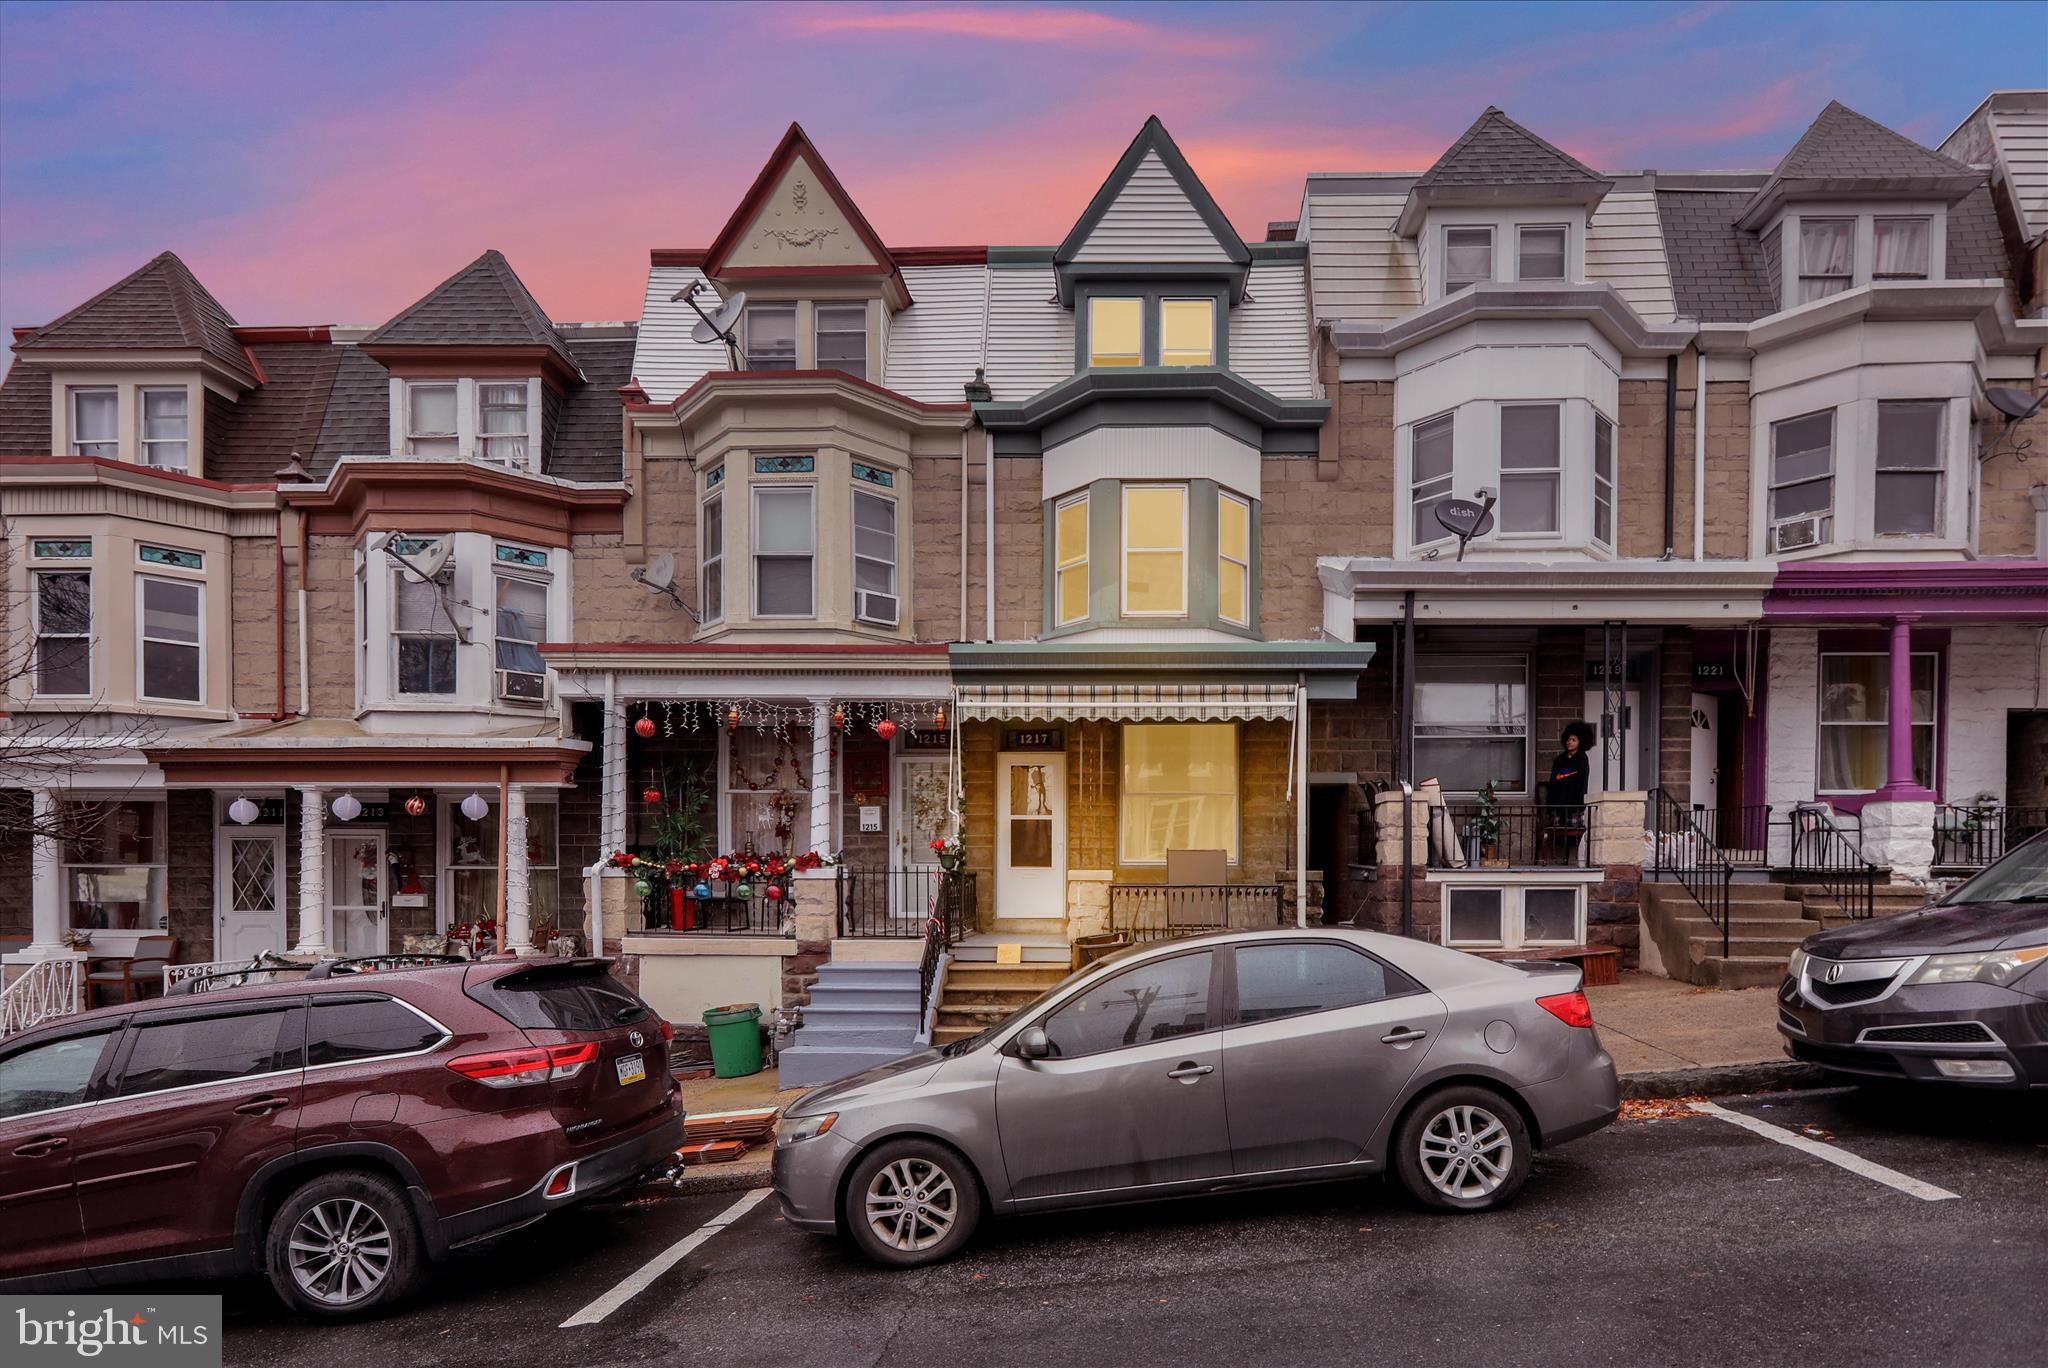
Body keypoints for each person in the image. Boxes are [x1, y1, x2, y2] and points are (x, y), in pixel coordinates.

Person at [1544, 723, 1596, 862]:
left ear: (1581, 741)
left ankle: (1576, 859)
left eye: (1574, 740)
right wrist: (1550, 804)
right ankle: (1557, 858)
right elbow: (1553, 782)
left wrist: (1579, 804)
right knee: (1555, 830)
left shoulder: (1582, 759)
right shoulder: (1559, 760)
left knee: (1576, 833)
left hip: (1574, 803)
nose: (1570, 742)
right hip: (1558, 803)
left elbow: (1582, 783)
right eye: (1568, 739)